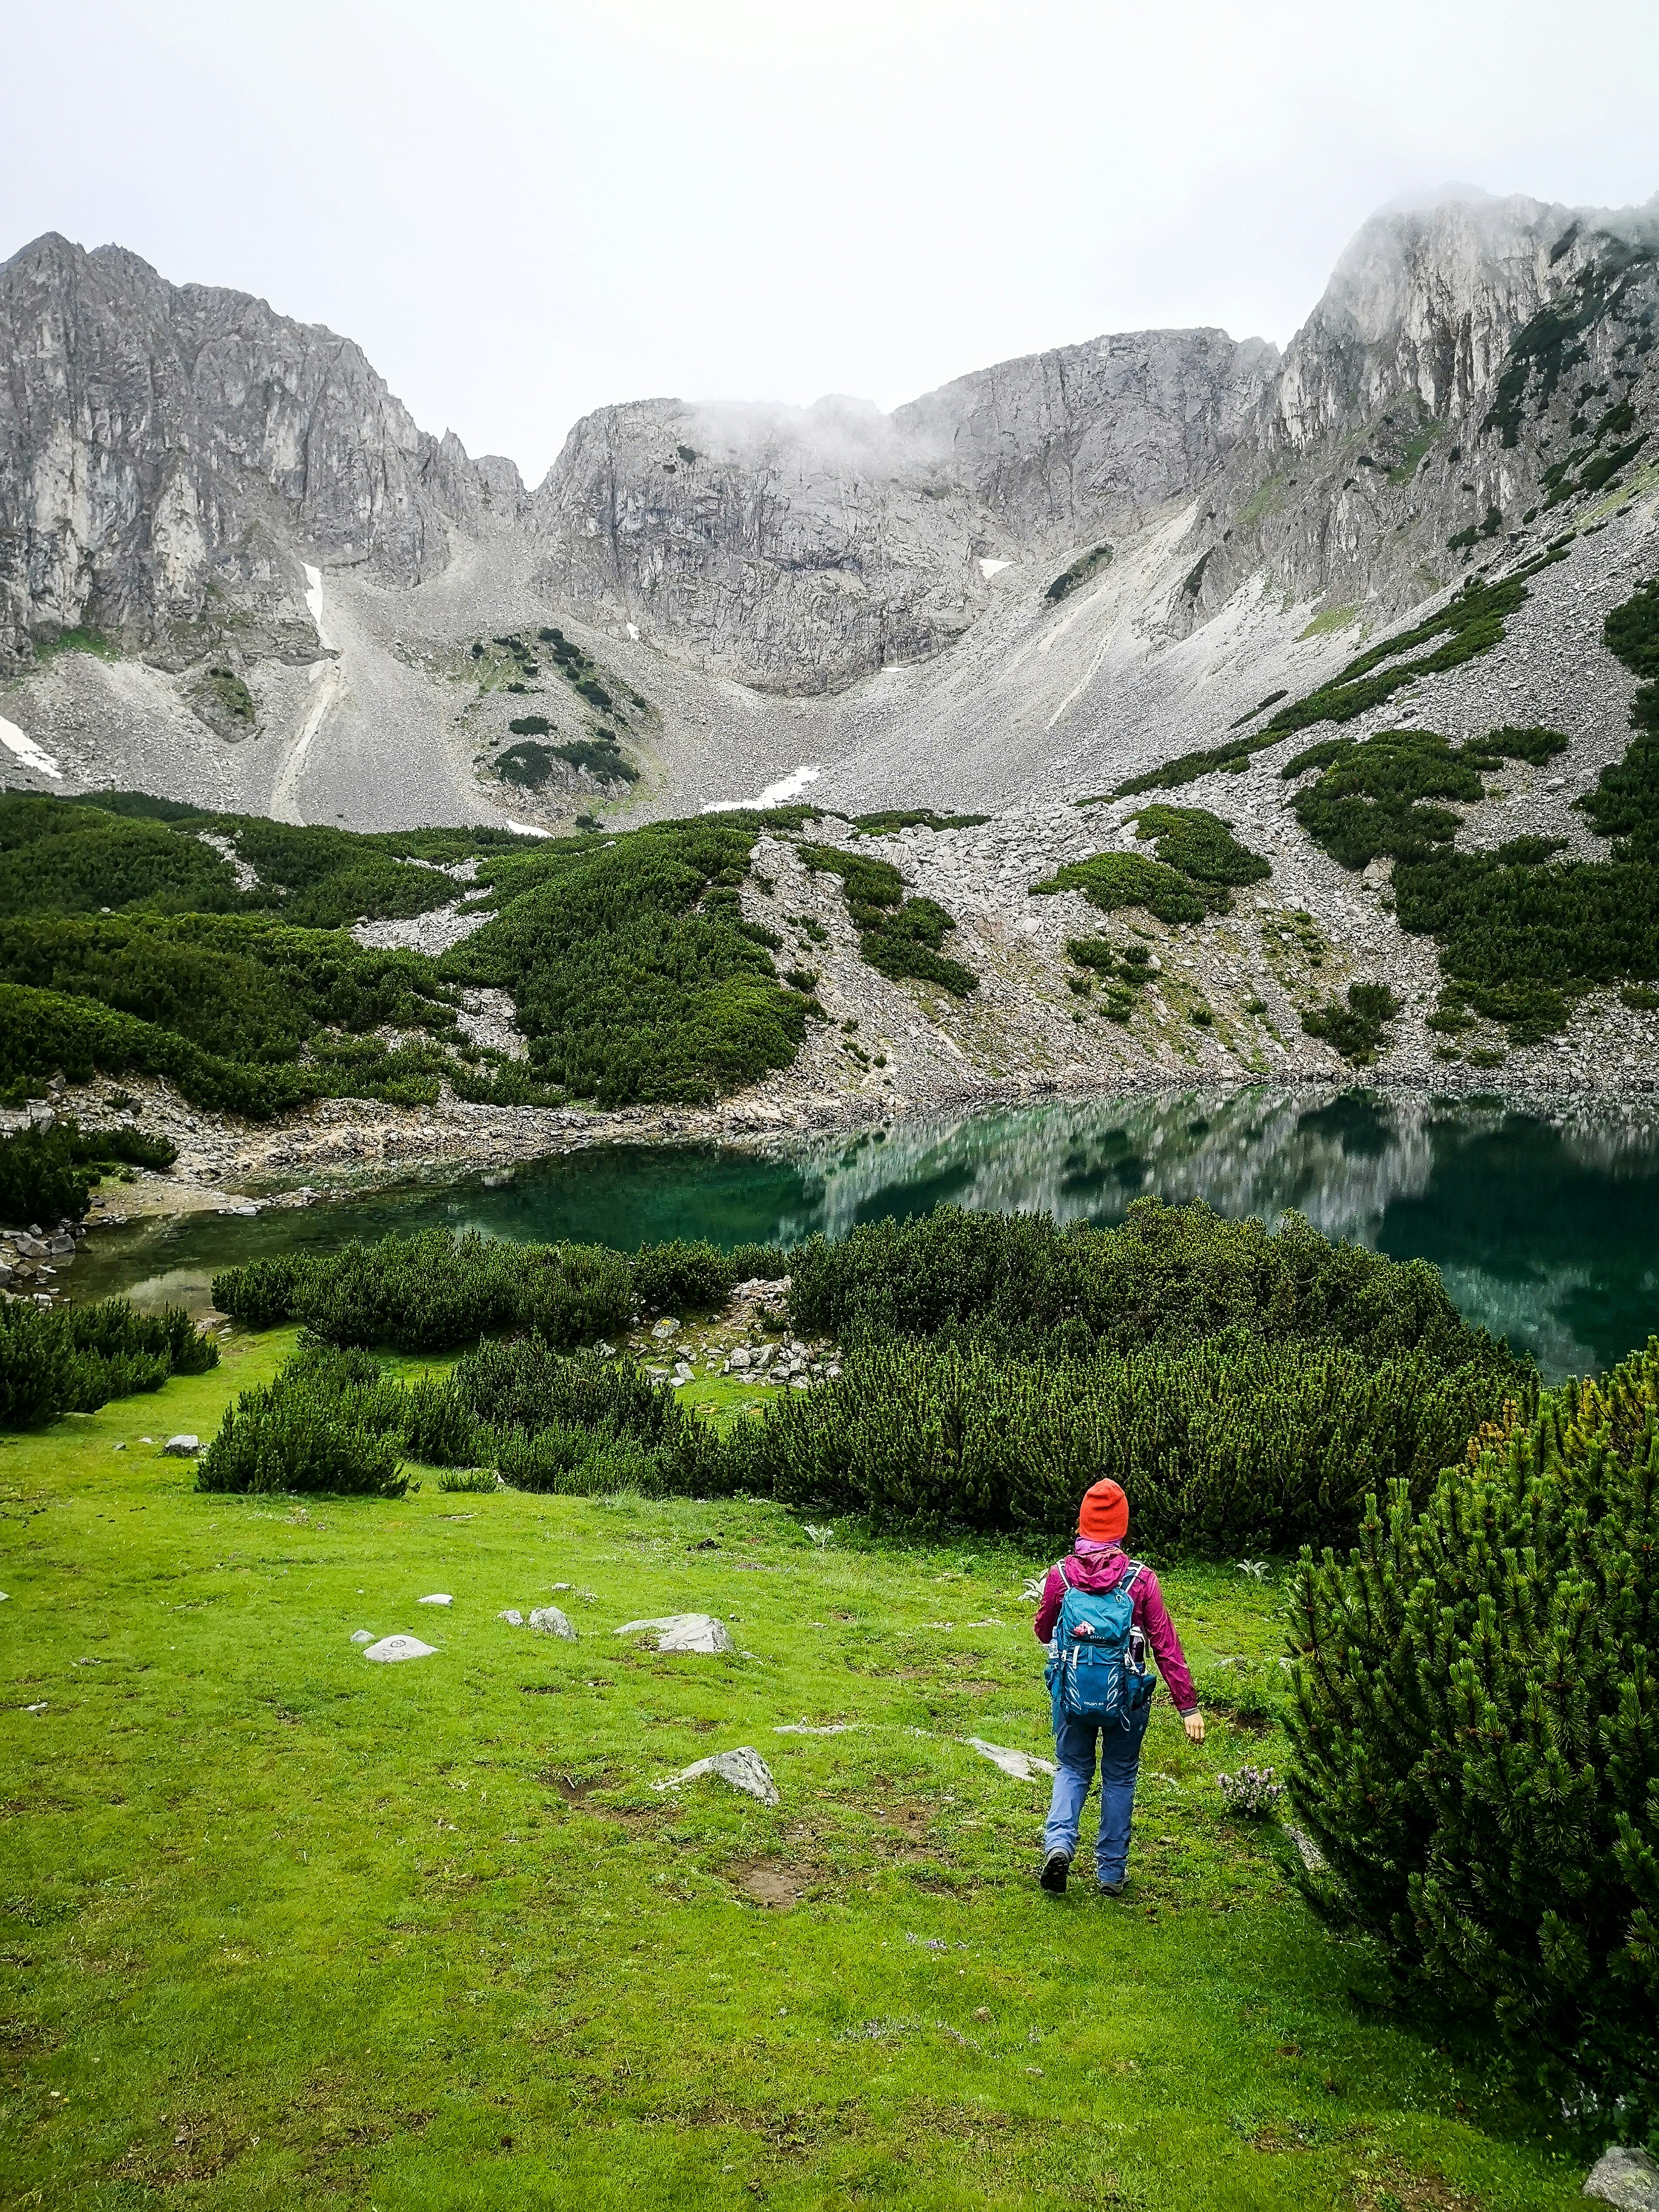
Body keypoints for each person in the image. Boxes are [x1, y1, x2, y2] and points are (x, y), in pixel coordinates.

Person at [1032, 1476, 1203, 1897]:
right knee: (1120, 1776)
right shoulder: (1142, 1580)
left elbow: (1042, 1631)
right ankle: (1111, 1874)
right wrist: (1188, 1706)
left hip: (1072, 1691)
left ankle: (1058, 1845)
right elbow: (1166, 1645)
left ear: (1082, 1525)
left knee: (1072, 1767)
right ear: (1122, 1528)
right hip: (1127, 1696)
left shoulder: (1060, 1575)